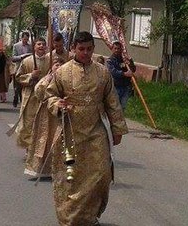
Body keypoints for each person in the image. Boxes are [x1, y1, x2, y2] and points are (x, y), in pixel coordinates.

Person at [43, 31, 128, 226]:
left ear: (93, 49)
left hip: (96, 131)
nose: (85, 53)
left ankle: (90, 217)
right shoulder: (62, 72)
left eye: (89, 49)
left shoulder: (103, 72)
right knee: (71, 177)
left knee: (101, 174)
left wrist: (117, 128)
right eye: (81, 49)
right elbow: (49, 96)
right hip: (69, 132)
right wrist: (58, 104)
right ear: (74, 49)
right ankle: (70, 218)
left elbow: (112, 102)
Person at [24, 59, 63, 178]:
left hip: (60, 114)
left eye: (61, 65)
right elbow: (39, 92)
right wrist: (49, 79)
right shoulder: (47, 78)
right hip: (46, 114)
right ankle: (42, 168)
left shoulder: (66, 79)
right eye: (56, 65)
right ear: (52, 67)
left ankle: (59, 169)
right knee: (44, 141)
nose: (59, 67)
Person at [14, 37, 50, 155]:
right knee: (29, 123)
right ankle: (29, 149)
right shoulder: (27, 61)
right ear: (34, 47)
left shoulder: (50, 61)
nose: (41, 46)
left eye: (43, 44)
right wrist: (31, 76)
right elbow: (18, 77)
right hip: (30, 96)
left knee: (42, 123)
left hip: (44, 96)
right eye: (39, 44)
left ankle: (40, 149)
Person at [106, 41, 136, 111]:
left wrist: (130, 61)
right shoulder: (110, 61)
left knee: (123, 107)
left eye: (118, 48)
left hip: (126, 87)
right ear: (112, 49)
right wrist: (124, 74)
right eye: (115, 48)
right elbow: (113, 72)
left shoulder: (124, 60)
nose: (117, 50)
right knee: (115, 107)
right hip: (116, 87)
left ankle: (121, 117)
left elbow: (133, 70)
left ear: (121, 49)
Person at [11, 31, 33, 107]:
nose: (25, 41)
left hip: (27, 68)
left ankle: (22, 100)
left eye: (27, 39)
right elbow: (13, 58)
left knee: (24, 84)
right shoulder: (16, 45)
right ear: (21, 38)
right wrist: (21, 57)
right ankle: (16, 97)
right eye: (24, 39)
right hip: (18, 67)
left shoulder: (30, 46)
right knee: (17, 86)